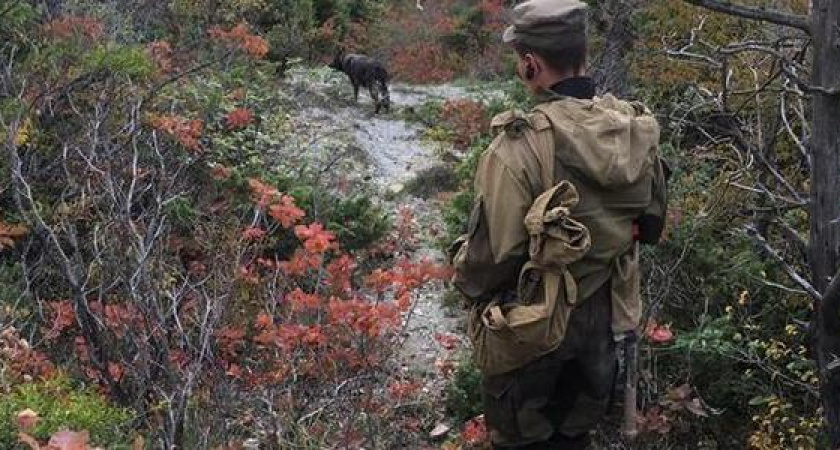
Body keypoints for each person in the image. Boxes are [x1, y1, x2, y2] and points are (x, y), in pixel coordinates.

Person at [449, 0, 669, 449]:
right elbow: (651, 227)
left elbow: (489, 262)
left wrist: (462, 274)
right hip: (603, 330)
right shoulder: (633, 129)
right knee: (577, 437)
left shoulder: (518, 147)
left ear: (530, 65)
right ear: (583, 54)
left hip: (533, 332)